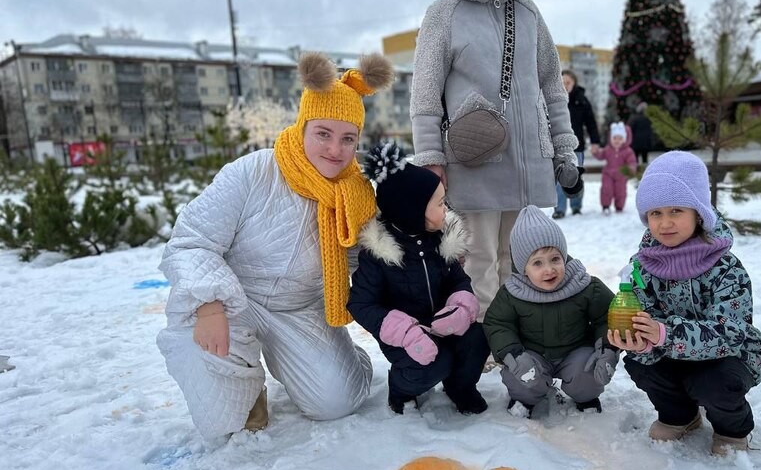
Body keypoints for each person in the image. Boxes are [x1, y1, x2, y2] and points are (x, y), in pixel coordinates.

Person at [157, 52, 394, 439]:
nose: (335, 149)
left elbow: (367, 260)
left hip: (301, 308)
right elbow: (191, 241)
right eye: (323, 134)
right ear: (303, 127)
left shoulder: (356, 195)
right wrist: (210, 304)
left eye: (347, 138)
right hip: (235, 299)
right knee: (221, 419)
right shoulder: (254, 171)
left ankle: (336, 359)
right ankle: (246, 386)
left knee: (338, 402)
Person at [410, 0, 582, 320]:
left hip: (528, 163)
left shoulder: (527, 14)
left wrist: (563, 149)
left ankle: (516, 335)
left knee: (521, 257)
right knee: (479, 259)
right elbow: (425, 93)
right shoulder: (443, 14)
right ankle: (482, 341)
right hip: (475, 161)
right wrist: (431, 159)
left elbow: (552, 86)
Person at [607, 151, 761, 455]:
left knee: (715, 382)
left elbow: (730, 332)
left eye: (676, 211)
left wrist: (665, 333)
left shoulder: (726, 268)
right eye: (655, 213)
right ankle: (680, 415)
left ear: (699, 213)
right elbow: (642, 314)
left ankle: (731, 428)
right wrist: (639, 339)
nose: (665, 223)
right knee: (643, 366)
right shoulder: (642, 267)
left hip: (727, 356)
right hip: (672, 353)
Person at [347, 141, 489, 416]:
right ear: (411, 211)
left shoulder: (440, 242)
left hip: (441, 325)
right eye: (439, 204)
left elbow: (459, 281)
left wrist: (460, 307)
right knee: (433, 363)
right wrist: (404, 331)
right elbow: (361, 304)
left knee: (477, 337)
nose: (445, 209)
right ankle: (401, 388)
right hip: (403, 336)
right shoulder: (379, 255)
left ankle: (460, 387)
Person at [484, 205, 619, 417]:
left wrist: (607, 349)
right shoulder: (513, 293)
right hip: (532, 356)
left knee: (589, 372)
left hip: (575, 353)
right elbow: (498, 324)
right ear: (522, 268)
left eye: (555, 259)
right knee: (522, 379)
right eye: (537, 263)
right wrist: (514, 355)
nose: (549, 269)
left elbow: (608, 316)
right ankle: (524, 398)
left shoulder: (585, 286)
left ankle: (587, 396)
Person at [554, 70, 600, 219]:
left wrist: (595, 142)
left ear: (574, 83)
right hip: (557, 147)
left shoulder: (582, 100)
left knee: (576, 177)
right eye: (562, 83)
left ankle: (576, 206)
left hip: (576, 147)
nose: (565, 85)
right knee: (559, 178)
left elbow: (591, 123)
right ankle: (559, 209)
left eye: (568, 82)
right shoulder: (553, 100)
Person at [590, 121, 637, 214]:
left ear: (624, 139)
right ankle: (605, 205)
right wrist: (596, 152)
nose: (617, 141)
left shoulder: (628, 151)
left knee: (621, 191)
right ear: (611, 138)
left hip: (621, 175)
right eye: (614, 138)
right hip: (608, 174)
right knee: (606, 189)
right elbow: (601, 155)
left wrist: (631, 168)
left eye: (620, 138)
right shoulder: (608, 149)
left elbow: (632, 161)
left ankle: (619, 206)